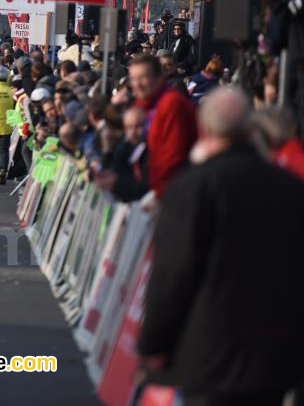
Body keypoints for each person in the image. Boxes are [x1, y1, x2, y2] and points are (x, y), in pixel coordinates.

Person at [139, 88, 304, 406]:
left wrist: (153, 343)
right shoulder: (290, 187)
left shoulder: (192, 188)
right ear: (249, 129)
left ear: (206, 129)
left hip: (209, 353)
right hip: (275, 354)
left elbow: (174, 274)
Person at [128, 53, 197, 196]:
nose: (137, 84)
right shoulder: (141, 105)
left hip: (170, 195)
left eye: (143, 78)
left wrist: (157, 195)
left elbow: (174, 158)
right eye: (133, 79)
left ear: (159, 77)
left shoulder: (171, 104)